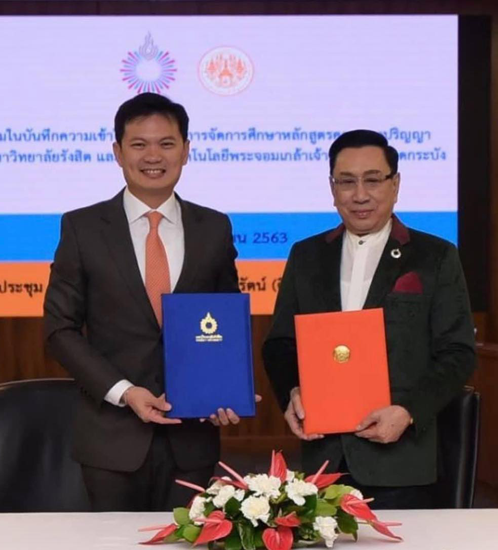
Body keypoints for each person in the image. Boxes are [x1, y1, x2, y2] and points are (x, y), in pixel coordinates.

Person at [44, 93, 244, 511]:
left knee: (188, 539)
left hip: (193, 438)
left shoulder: (214, 227)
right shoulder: (82, 227)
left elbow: (224, 321)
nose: (153, 156)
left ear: (186, 151)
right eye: (139, 144)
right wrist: (124, 392)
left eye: (167, 144)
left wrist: (226, 389)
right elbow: (60, 330)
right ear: (118, 152)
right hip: (111, 440)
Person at [262, 130, 476, 509]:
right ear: (332, 188)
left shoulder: (435, 256)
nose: (360, 195)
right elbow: (280, 343)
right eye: (346, 182)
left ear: (395, 184)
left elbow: (458, 354)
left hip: (402, 464)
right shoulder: (306, 255)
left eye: (373, 180)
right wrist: (292, 392)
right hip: (323, 461)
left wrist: (408, 412)